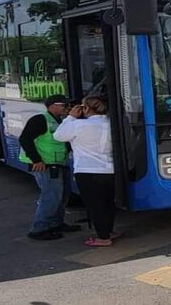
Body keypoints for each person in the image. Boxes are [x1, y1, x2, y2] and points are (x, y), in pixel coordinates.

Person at [53, 95, 119, 247]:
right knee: (108, 203)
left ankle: (103, 237)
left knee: (95, 205)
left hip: (87, 171)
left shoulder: (79, 125)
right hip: (109, 169)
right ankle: (109, 231)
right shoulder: (110, 123)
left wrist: (70, 118)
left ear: (86, 108)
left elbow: (58, 136)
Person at [19, 94, 81, 241]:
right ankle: (39, 229)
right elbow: (25, 139)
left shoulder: (60, 120)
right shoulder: (40, 120)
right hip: (45, 165)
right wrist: (36, 160)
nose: (67, 108)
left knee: (62, 195)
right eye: (64, 105)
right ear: (53, 106)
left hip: (59, 162)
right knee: (50, 196)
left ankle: (56, 223)